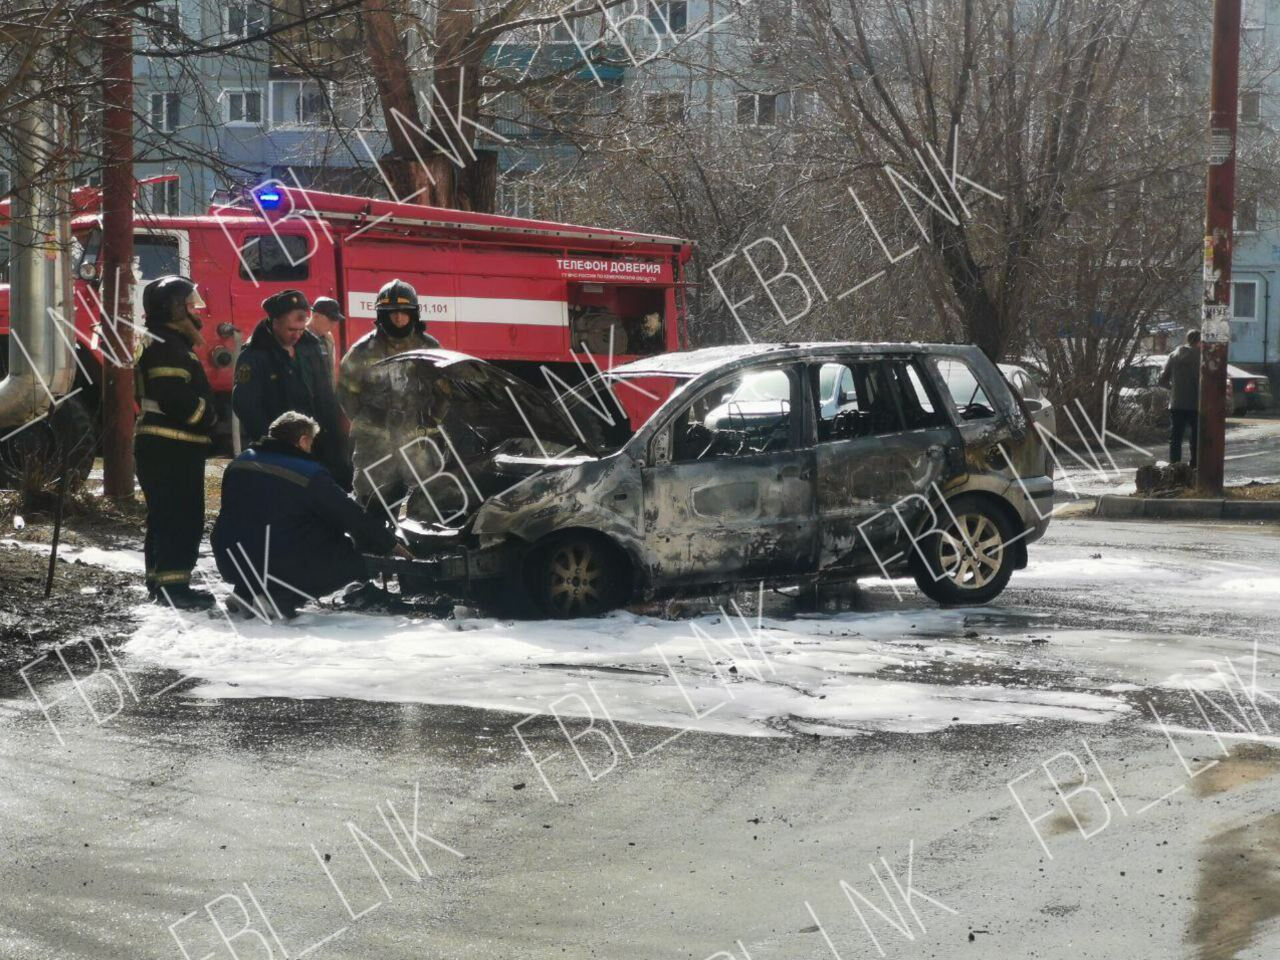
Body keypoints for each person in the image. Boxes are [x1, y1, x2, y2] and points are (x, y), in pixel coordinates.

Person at [211, 411, 413, 619]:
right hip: (277, 561)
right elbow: (349, 515)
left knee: (266, 535)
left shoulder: (239, 462)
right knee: (352, 561)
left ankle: (245, 593)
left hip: (230, 559)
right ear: (303, 440)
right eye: (311, 442)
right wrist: (390, 544)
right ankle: (281, 599)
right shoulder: (308, 473)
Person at [134, 275, 218, 610]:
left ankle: (161, 581)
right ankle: (174, 588)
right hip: (172, 445)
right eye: (189, 303)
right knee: (182, 515)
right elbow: (172, 395)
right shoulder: (169, 343)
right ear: (173, 308)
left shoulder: (166, 340)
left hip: (164, 445)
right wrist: (207, 416)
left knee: (164, 515)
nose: (195, 310)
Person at [338, 278, 439, 509]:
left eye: (404, 312)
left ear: (413, 313)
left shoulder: (430, 348)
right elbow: (346, 393)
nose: (398, 318)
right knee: (368, 497)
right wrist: (369, 422)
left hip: (417, 438)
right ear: (381, 315)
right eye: (392, 312)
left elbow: (444, 390)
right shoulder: (362, 351)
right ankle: (367, 543)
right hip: (374, 442)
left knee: (425, 496)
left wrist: (433, 420)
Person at [232, 289, 348, 486]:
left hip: (316, 441)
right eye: (291, 330)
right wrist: (271, 444)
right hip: (278, 448)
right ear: (274, 321)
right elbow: (246, 405)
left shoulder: (311, 346)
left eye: (301, 329)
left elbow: (325, 395)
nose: (297, 335)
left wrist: (336, 435)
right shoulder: (254, 354)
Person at [1158, 328, 1201, 468]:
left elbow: (1162, 379)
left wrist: (1174, 388)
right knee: (1195, 437)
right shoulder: (1202, 356)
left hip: (1176, 403)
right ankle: (1195, 465)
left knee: (1175, 437)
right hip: (1196, 403)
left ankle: (1175, 466)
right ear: (1200, 341)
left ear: (1187, 340)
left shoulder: (1173, 355)